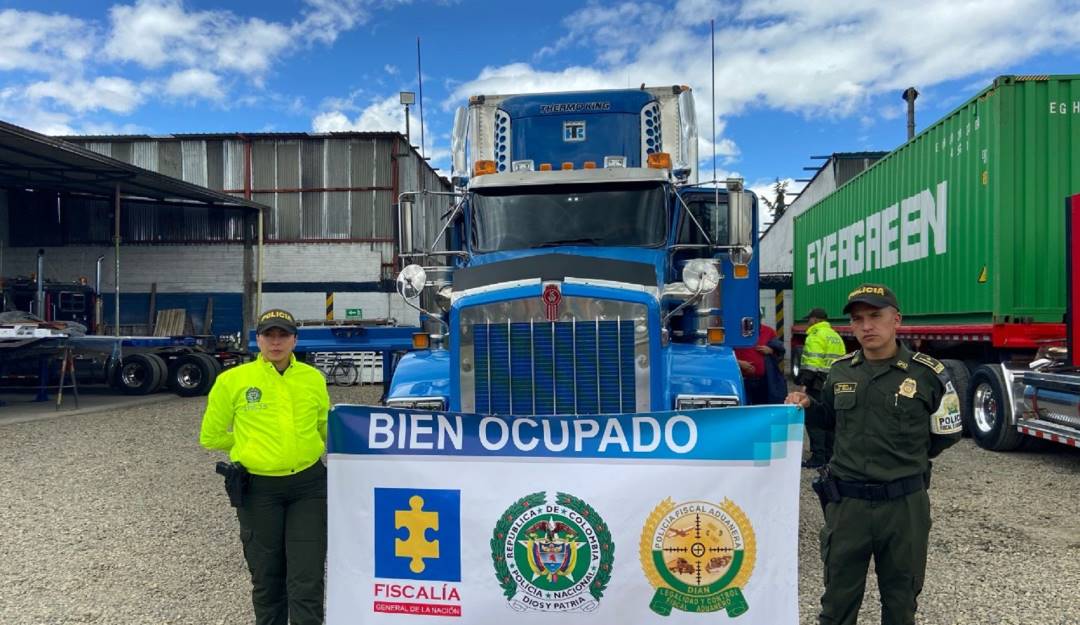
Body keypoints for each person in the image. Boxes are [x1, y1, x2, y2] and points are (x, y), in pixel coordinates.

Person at [785, 284, 962, 625]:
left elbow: (947, 432)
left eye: (875, 317)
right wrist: (807, 405)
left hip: (904, 506)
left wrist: (902, 458)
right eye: (858, 319)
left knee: (900, 602)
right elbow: (830, 419)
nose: (867, 326)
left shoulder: (929, 374)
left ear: (896, 320)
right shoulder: (841, 370)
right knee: (837, 602)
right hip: (847, 505)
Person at [200, 309, 330, 625]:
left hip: (308, 488)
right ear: (257, 339)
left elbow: (325, 427)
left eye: (283, 335)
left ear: (294, 339)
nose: (275, 342)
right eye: (268, 335)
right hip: (259, 492)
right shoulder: (233, 381)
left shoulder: (313, 379)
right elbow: (211, 435)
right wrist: (249, 446)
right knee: (268, 577)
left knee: (307, 576)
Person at [796, 307, 847, 468]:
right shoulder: (835, 335)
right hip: (834, 382)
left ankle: (818, 457)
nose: (808, 322)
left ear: (815, 320)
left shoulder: (815, 335)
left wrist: (805, 384)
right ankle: (830, 455)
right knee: (831, 419)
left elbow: (812, 363)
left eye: (809, 319)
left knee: (814, 421)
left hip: (817, 384)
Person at [735, 316, 787, 404]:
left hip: (763, 381)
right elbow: (723, 355)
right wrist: (739, 363)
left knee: (762, 408)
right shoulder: (734, 332)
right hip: (741, 381)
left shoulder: (769, 331)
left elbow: (780, 352)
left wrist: (771, 350)